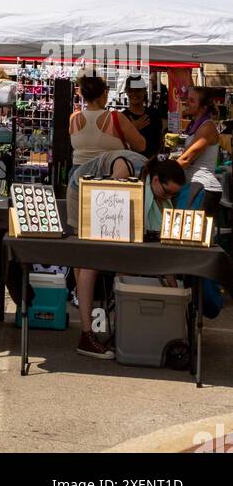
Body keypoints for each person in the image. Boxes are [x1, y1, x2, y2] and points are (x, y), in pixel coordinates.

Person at [70, 153, 187, 359]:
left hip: (105, 194)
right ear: (156, 180)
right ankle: (86, 336)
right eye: (167, 192)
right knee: (89, 260)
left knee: (123, 259)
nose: (168, 199)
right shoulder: (125, 173)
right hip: (82, 191)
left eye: (173, 196)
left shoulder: (153, 183)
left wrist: (173, 286)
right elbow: (107, 209)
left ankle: (121, 328)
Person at [67, 73, 146, 226]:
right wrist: (131, 129)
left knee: (80, 227)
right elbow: (141, 145)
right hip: (108, 175)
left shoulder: (74, 118)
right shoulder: (115, 118)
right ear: (104, 93)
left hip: (77, 176)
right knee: (108, 226)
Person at [178, 86, 223, 217]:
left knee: (194, 234)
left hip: (203, 188)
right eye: (187, 99)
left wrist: (164, 170)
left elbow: (186, 159)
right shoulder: (194, 125)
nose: (187, 102)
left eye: (192, 100)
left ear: (203, 107)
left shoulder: (207, 127)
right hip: (194, 186)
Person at [122, 75, 164, 159]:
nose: (134, 94)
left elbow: (158, 142)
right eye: (131, 90)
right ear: (126, 92)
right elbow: (119, 145)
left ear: (144, 91)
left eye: (138, 90)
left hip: (150, 164)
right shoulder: (122, 117)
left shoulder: (154, 114)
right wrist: (133, 129)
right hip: (128, 164)